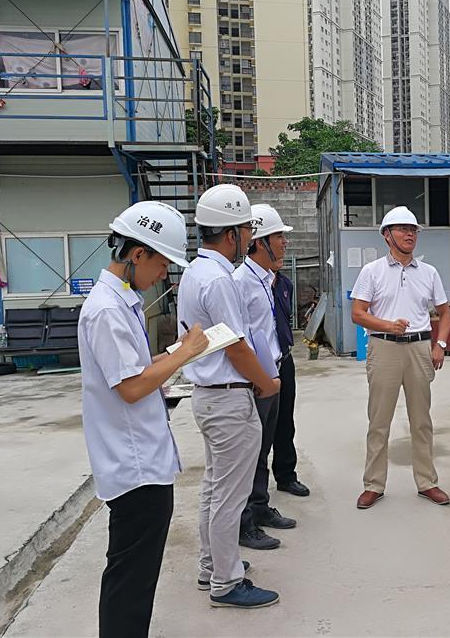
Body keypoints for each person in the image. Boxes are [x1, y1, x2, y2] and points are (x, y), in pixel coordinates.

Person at [79, 201, 208, 637]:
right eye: (162, 264)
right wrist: (185, 354)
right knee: (130, 579)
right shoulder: (107, 310)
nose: (164, 275)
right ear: (137, 254)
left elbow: (132, 368)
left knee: (135, 576)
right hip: (133, 468)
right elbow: (132, 387)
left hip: (142, 460)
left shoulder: (121, 302)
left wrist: (174, 353)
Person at [177, 184, 281, 609]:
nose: (249, 238)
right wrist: (266, 382)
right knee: (230, 495)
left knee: (214, 488)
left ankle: (212, 566)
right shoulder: (220, 279)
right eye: (247, 230)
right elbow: (236, 346)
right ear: (233, 233)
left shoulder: (194, 272)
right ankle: (226, 581)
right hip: (228, 396)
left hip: (209, 394)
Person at [350, 206, 450, 509]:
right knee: (379, 420)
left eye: (413, 230)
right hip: (384, 347)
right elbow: (358, 313)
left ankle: (427, 482)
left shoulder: (428, 272)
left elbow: (445, 312)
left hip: (420, 348)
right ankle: (373, 484)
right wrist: (387, 325)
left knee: (421, 420)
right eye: (403, 229)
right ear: (386, 235)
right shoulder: (372, 271)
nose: (410, 234)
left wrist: (440, 344)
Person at [233, 204, 298, 550]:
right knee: (250, 452)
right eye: (278, 237)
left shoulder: (271, 280)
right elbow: (239, 340)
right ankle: (244, 522)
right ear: (258, 242)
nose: (285, 243)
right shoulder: (240, 283)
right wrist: (259, 379)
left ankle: (259, 507)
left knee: (266, 443)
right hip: (256, 377)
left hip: (275, 368)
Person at [270, 255, 309, 497]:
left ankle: (286, 475)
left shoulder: (285, 284)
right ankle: (255, 486)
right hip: (260, 362)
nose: (282, 254)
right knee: (261, 425)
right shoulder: (243, 282)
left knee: (285, 420)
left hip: (284, 358)